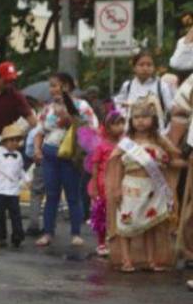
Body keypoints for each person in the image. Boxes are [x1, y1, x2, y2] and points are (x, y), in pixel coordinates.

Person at [106, 96, 186, 272]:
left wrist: (183, 161)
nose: (140, 121)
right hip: (130, 187)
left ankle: (151, 260)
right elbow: (115, 165)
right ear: (131, 121)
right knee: (126, 224)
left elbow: (175, 159)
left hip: (152, 188)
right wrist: (116, 188)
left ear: (153, 120)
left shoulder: (160, 140)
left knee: (150, 225)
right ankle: (127, 260)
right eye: (136, 117)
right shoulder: (126, 142)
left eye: (145, 117)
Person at [34, 72, 96, 250]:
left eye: (56, 85)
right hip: (50, 154)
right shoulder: (47, 108)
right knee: (51, 195)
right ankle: (48, 232)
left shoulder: (81, 105)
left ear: (67, 86)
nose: (53, 89)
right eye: (51, 85)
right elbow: (39, 132)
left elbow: (92, 128)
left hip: (70, 156)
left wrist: (70, 119)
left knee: (73, 196)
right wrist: (38, 150)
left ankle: (76, 234)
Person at [0, 61, 37, 160]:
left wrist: (20, 134)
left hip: (3, 141)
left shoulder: (16, 97)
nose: (9, 84)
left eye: (12, 81)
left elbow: (32, 120)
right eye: (6, 81)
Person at [87, 111, 125, 257]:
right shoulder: (101, 146)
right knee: (102, 214)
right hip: (103, 183)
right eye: (116, 124)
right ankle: (101, 242)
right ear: (107, 127)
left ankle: (115, 241)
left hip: (119, 182)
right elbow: (95, 168)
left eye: (122, 123)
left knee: (118, 213)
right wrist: (95, 186)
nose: (120, 127)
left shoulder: (125, 144)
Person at [114, 50, 176, 133]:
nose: (145, 68)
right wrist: (125, 116)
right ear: (134, 67)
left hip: (156, 133)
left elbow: (171, 109)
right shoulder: (128, 86)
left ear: (154, 67)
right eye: (141, 65)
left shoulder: (161, 86)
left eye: (149, 65)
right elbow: (119, 105)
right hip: (131, 133)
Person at [0, 120, 28, 249]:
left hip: (13, 191)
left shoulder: (19, 156)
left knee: (16, 214)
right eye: (12, 140)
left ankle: (17, 235)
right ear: (4, 141)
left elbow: (21, 170)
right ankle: (1, 236)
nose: (15, 143)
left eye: (17, 141)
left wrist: (26, 180)